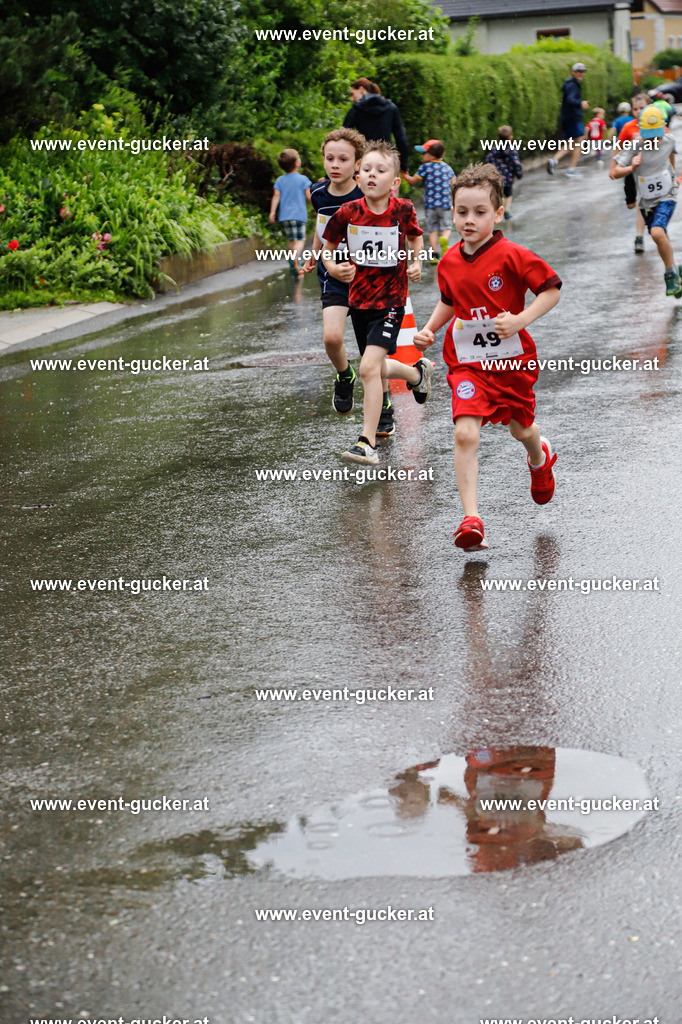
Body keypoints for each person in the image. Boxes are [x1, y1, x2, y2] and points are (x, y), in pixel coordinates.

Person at [413, 163, 561, 551]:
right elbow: (450, 300)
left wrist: (521, 318)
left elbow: (550, 290)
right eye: (462, 212)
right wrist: (430, 328)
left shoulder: (513, 255)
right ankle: (471, 519)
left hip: (512, 363)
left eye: (480, 212)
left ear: (497, 214)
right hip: (467, 363)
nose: (468, 220)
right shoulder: (448, 261)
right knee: (465, 432)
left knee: (521, 429)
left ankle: (539, 455)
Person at [321, 140, 432, 465]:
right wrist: (332, 267)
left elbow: (415, 236)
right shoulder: (348, 212)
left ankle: (367, 441)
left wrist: (417, 263)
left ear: (394, 181)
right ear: (358, 177)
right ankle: (415, 375)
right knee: (375, 367)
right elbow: (327, 248)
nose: (372, 175)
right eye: (366, 169)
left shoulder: (403, 209)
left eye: (380, 170)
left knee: (369, 367)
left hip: (392, 302)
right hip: (359, 302)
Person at [303, 128, 386, 424]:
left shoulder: (367, 192)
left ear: (357, 162)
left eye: (343, 159)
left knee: (370, 351)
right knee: (332, 337)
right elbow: (322, 225)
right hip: (333, 273)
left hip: (368, 279)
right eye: (329, 158)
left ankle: (384, 403)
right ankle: (344, 374)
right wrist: (314, 254)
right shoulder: (317, 193)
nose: (335, 165)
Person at [612, 105, 682, 297]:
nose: (654, 140)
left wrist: (675, 177)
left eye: (657, 134)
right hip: (646, 202)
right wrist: (631, 167)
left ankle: (670, 275)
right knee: (659, 238)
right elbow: (614, 172)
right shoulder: (635, 145)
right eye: (649, 135)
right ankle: (676, 270)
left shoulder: (669, 140)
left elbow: (670, 158)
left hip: (668, 195)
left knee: (657, 233)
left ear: (664, 128)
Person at [608, 93, 654, 252]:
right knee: (631, 204)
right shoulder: (629, 127)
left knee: (643, 202)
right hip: (630, 169)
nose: (639, 111)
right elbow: (619, 147)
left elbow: (667, 147)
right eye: (635, 109)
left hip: (649, 171)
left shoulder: (657, 125)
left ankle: (639, 237)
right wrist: (613, 167)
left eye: (642, 108)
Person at [342, 78, 410, 181]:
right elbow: (401, 139)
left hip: (364, 161)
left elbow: (343, 138)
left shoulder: (357, 109)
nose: (352, 99)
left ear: (361, 89)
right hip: (386, 159)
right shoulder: (391, 108)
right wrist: (403, 166)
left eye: (352, 94)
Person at [402, 139, 456, 261]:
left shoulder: (425, 167)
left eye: (424, 153)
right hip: (445, 204)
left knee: (433, 230)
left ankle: (434, 255)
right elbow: (455, 184)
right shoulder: (447, 168)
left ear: (431, 155)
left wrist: (403, 174)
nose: (422, 155)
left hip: (430, 205)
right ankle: (445, 240)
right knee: (446, 227)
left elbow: (412, 181)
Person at [269, 148, 311, 277]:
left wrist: (272, 213)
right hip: (299, 215)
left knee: (291, 241)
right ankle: (296, 259)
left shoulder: (280, 180)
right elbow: (309, 197)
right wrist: (317, 208)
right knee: (300, 240)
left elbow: (276, 196)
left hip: (285, 216)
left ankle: (294, 262)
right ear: (296, 162)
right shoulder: (303, 179)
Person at [547, 62, 589, 177]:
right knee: (578, 143)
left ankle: (554, 160)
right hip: (573, 119)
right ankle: (571, 169)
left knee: (571, 144)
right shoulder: (572, 85)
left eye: (582, 72)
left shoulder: (570, 84)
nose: (581, 74)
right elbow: (571, 99)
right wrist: (580, 103)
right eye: (579, 72)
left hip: (569, 118)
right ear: (573, 72)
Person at [483, 125, 523, 218]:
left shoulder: (494, 149)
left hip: (495, 177)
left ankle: (496, 211)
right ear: (511, 138)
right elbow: (516, 163)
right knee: (508, 194)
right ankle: (507, 211)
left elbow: (489, 160)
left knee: (497, 193)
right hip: (508, 178)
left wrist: (486, 173)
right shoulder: (512, 150)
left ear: (498, 138)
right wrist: (519, 174)